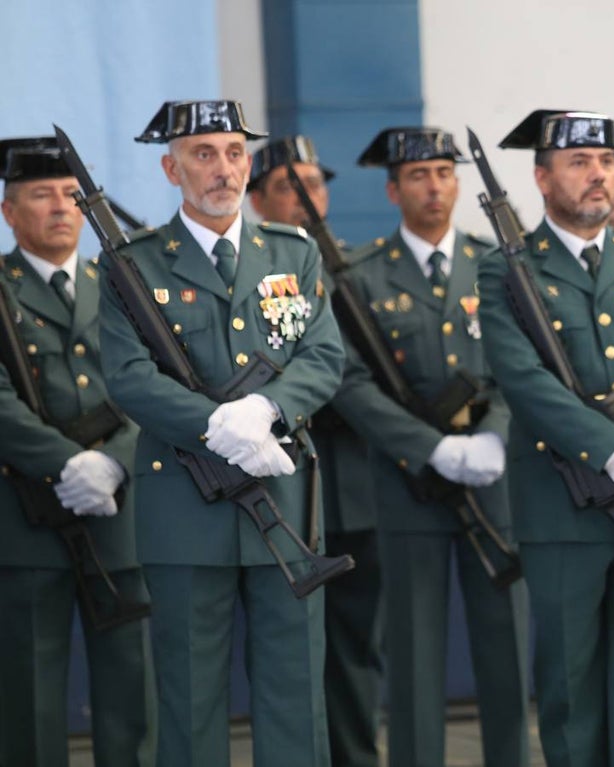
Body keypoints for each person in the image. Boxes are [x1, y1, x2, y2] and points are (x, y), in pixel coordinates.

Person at [98, 100, 345, 767]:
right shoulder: (134, 265)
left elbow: (323, 356)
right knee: (188, 699)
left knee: (296, 696)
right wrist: (213, 422)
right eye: (204, 153)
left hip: (288, 505)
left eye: (235, 152)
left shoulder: (292, 253)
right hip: (185, 508)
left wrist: (266, 409)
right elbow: (126, 376)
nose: (224, 168)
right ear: (170, 167)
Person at [477, 109, 614, 767]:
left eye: (606, 162)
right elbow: (520, 376)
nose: (598, 174)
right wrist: (612, 447)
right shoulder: (506, 269)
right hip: (561, 505)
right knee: (570, 687)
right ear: (542, 178)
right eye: (579, 163)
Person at [333, 126, 530, 767]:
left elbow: (520, 363)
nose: (434, 186)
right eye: (418, 176)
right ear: (394, 190)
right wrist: (428, 448)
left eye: (444, 173)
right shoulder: (360, 276)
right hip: (407, 483)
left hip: (492, 481)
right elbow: (350, 382)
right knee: (415, 650)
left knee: (505, 645)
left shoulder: (496, 265)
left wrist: (495, 434)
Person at [0, 136, 156, 766]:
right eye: (42, 195)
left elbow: (158, 384)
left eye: (71, 195)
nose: (62, 208)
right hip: (24, 519)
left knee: (131, 693)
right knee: (31, 697)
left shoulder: (120, 286)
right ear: (10, 211)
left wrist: (115, 460)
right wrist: (66, 463)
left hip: (118, 514)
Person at [247, 135, 386, 767]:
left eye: (316, 184)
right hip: (275, 485)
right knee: (286, 650)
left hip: (356, 486)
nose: (307, 198)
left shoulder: (365, 269)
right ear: (255, 201)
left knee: (355, 647)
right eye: (288, 186)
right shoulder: (242, 275)